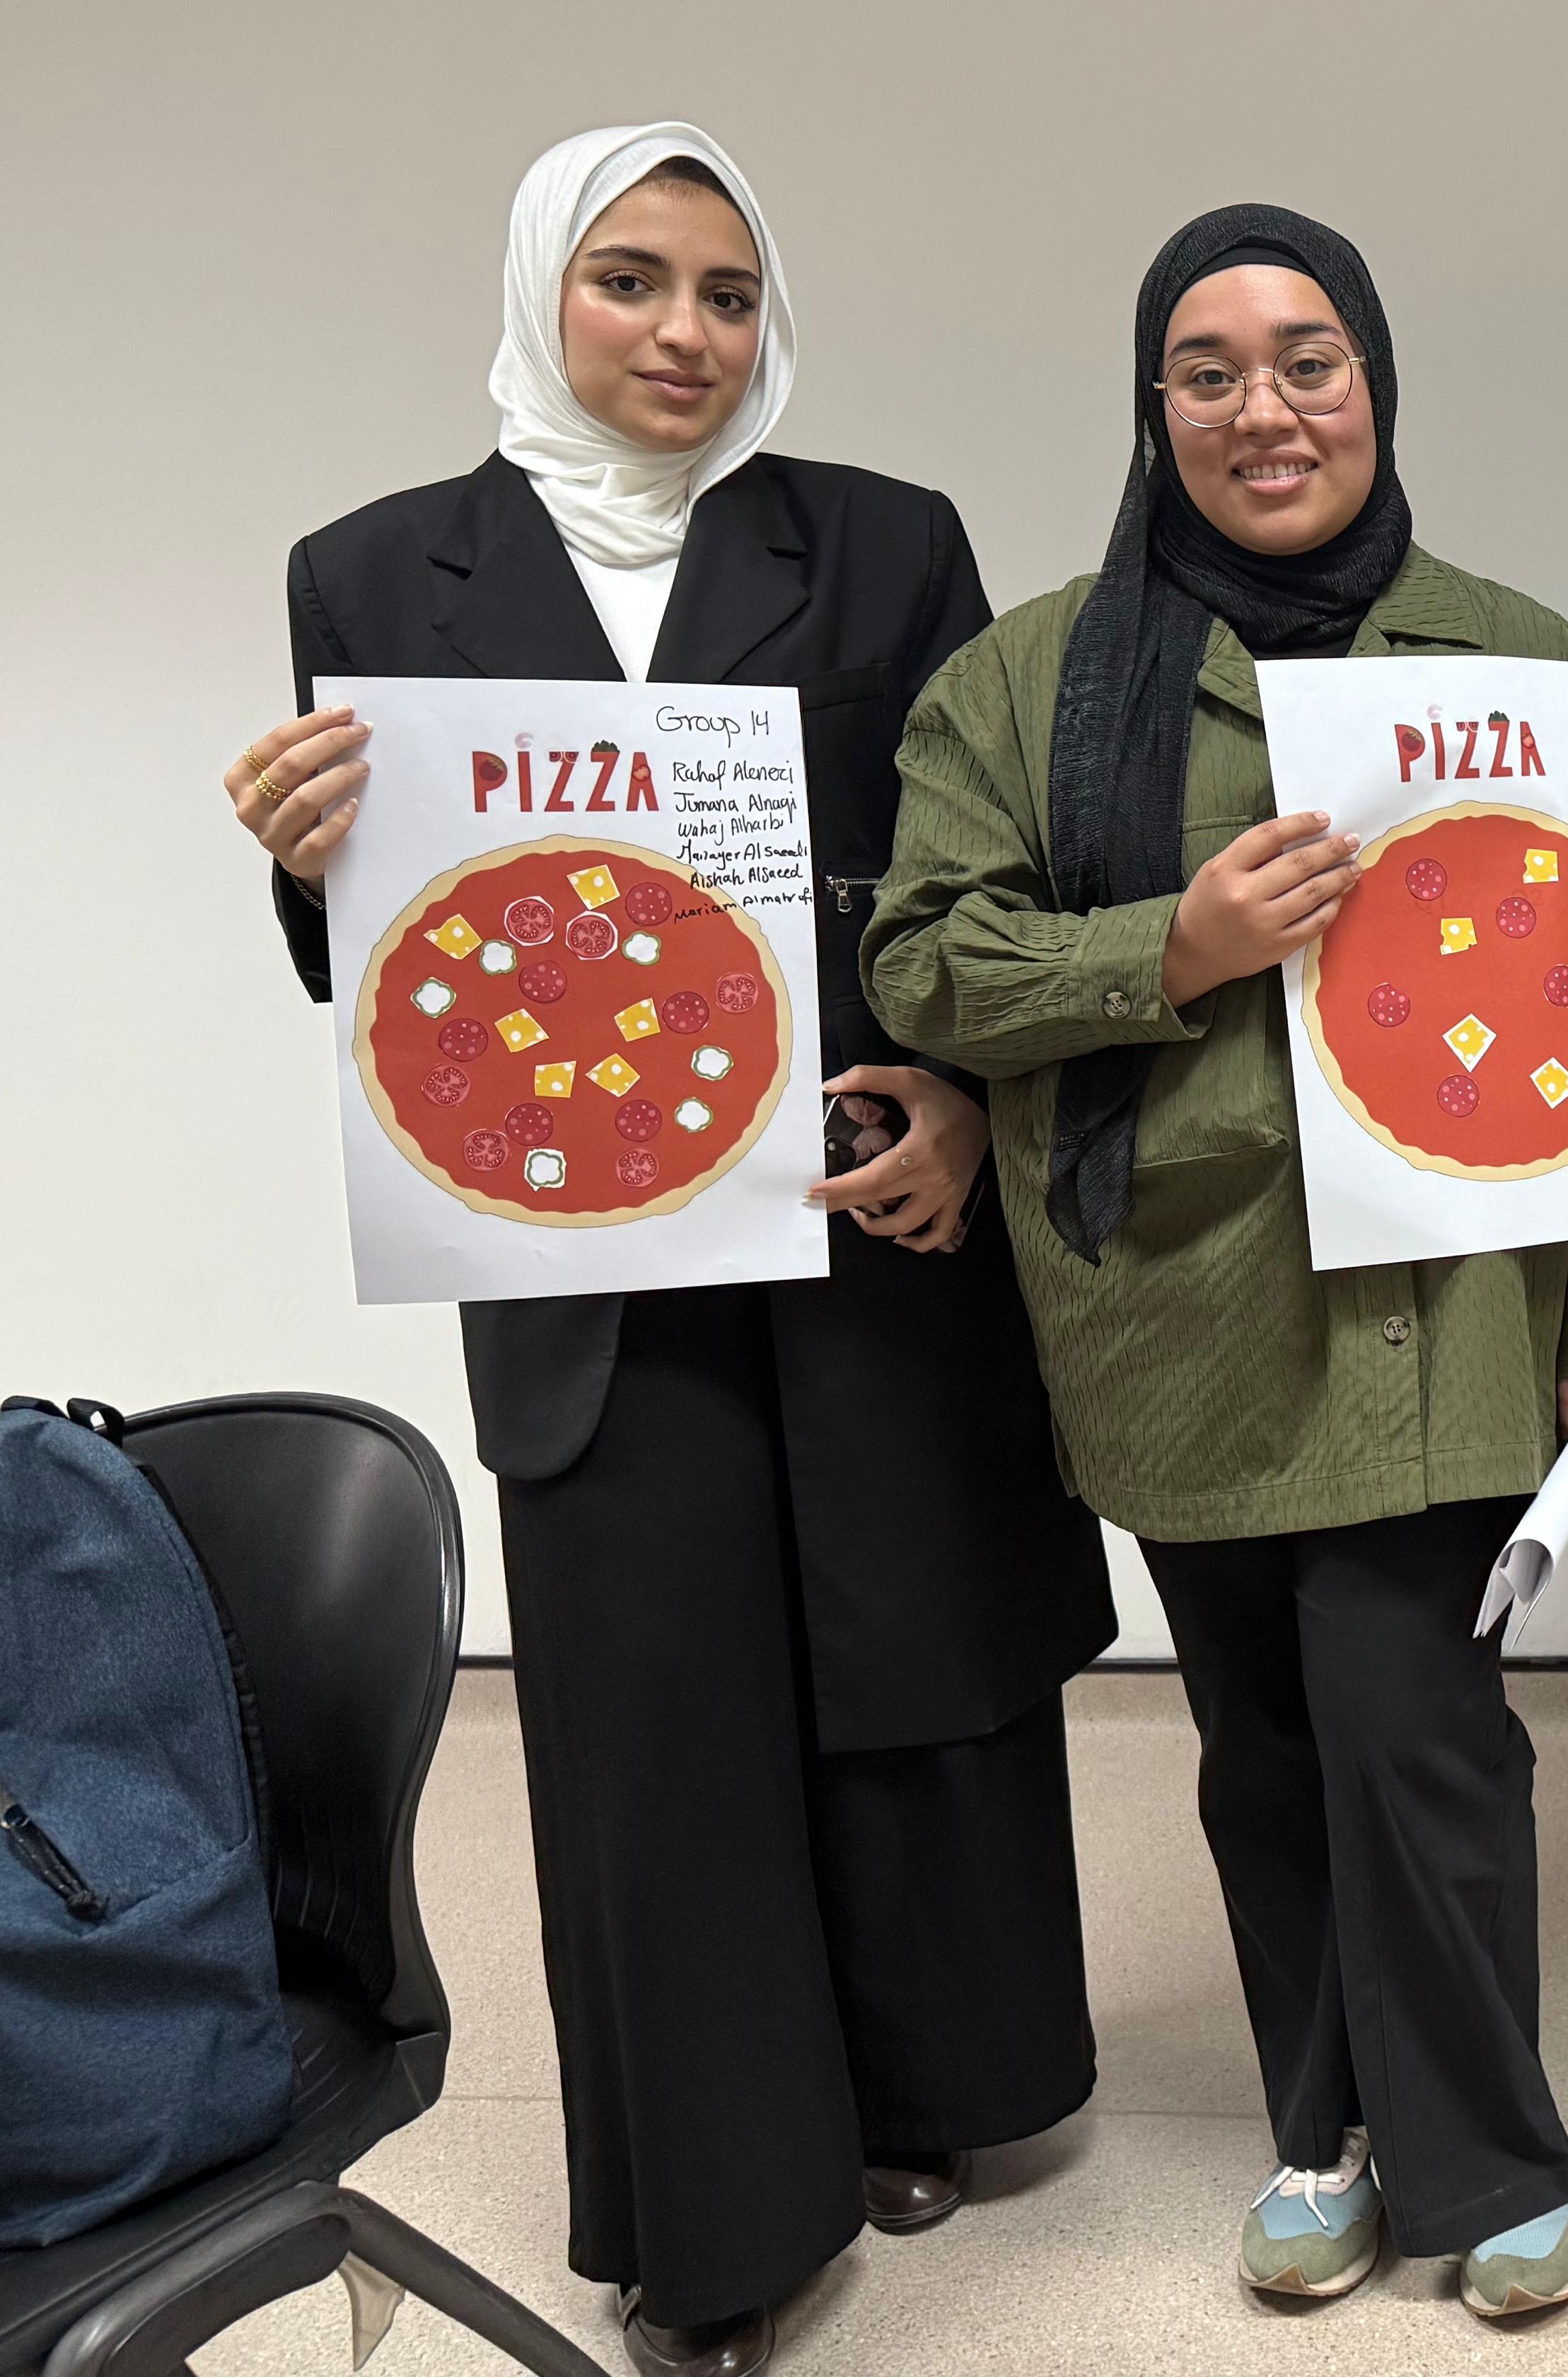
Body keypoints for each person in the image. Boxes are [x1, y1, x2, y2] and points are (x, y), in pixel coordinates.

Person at [224, 122, 1114, 2377]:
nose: (685, 333)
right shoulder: (375, 570)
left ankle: (920, 2083)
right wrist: (311, 867)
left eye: (729, 293)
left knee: (897, 1649)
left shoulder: (888, 542)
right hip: (588, 1246)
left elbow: (968, 877)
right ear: (544, 289)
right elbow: (391, 957)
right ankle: (719, 2219)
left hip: (852, 1193)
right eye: (631, 280)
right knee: (656, 1720)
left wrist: (965, 1095)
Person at [862, 204, 1568, 2327]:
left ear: (1376, 386)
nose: (1265, 410)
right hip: (1174, 1307)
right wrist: (1180, 945)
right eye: (1208, 372)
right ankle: (1323, 2131)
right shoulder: (1030, 679)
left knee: (1418, 1726)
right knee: (1264, 1748)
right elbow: (926, 963)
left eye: (1310, 361)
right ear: (1155, 411)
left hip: (1446, 1301)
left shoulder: (1517, 657)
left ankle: (1494, 2159)